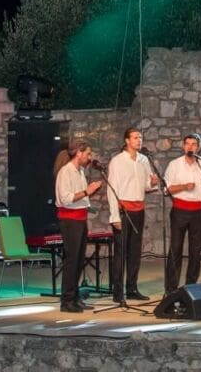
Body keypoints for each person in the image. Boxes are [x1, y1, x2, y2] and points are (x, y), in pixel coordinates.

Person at [106, 127, 159, 302]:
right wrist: (114, 216)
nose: (139, 140)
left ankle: (132, 288)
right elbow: (112, 189)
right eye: (135, 137)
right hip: (123, 210)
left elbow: (146, 186)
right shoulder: (117, 161)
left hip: (138, 209)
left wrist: (152, 183)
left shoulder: (144, 160)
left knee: (135, 252)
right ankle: (118, 292)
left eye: (140, 137)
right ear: (127, 140)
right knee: (121, 252)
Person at [163, 133, 201, 294]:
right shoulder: (174, 164)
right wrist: (183, 187)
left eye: (194, 144)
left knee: (195, 250)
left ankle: (191, 286)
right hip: (179, 211)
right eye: (187, 144)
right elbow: (166, 189)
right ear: (183, 146)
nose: (190, 147)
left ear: (198, 147)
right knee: (175, 248)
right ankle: (171, 288)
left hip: (199, 211)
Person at [54, 139, 102, 313]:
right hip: (70, 220)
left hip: (80, 218)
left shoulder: (80, 171)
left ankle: (75, 297)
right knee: (72, 260)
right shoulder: (65, 172)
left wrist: (89, 193)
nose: (89, 157)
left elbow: (81, 198)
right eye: (87, 153)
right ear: (79, 153)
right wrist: (87, 191)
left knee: (79, 260)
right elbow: (66, 198)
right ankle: (66, 301)